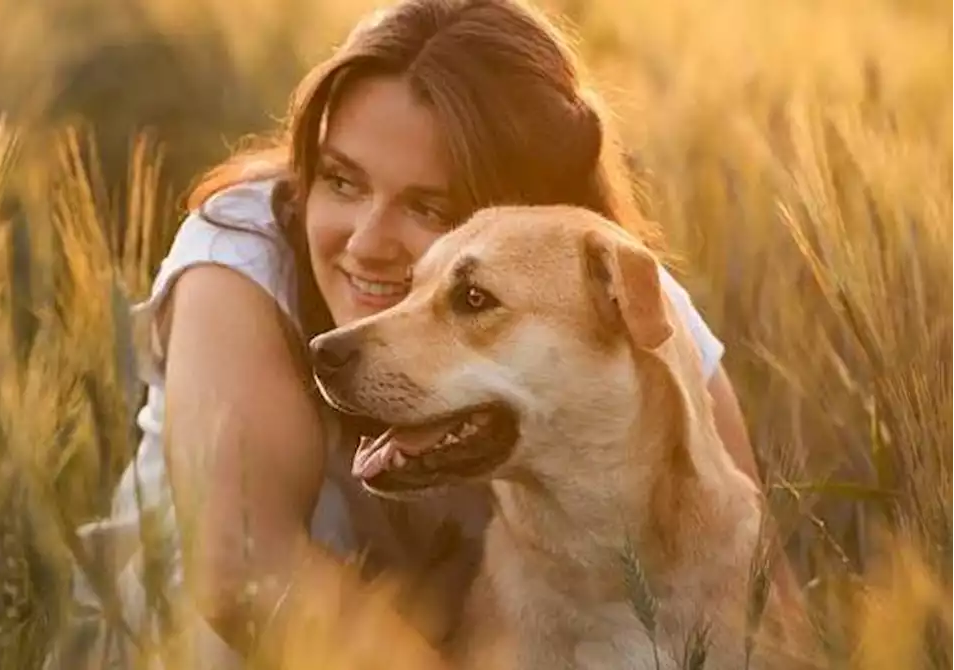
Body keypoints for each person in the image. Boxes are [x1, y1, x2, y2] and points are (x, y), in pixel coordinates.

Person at [54, 0, 797, 667]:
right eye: (341, 180)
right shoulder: (242, 250)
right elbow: (241, 571)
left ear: (523, 215)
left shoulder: (608, 284)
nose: (366, 242)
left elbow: (754, 581)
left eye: (431, 208)